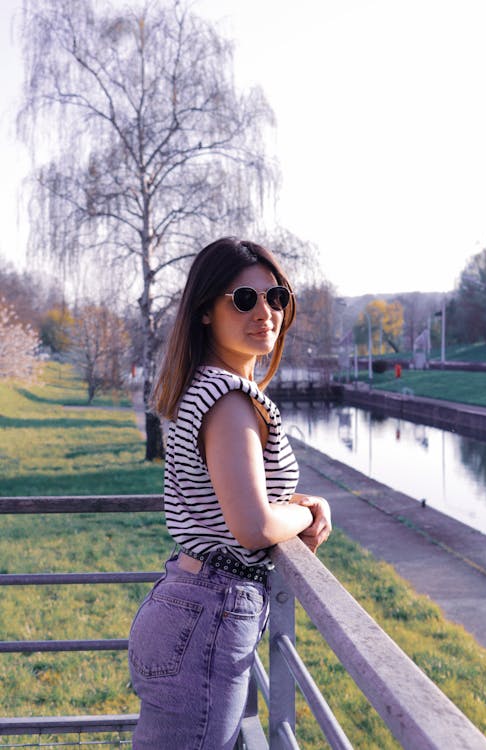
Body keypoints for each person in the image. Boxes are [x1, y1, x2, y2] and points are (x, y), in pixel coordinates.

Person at [128, 237, 332, 749]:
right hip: (209, 612)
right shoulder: (229, 400)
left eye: (276, 297)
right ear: (204, 312)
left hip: (187, 602)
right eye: (244, 299)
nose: (265, 311)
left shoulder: (200, 386)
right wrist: (308, 513)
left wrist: (291, 506)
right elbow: (255, 526)